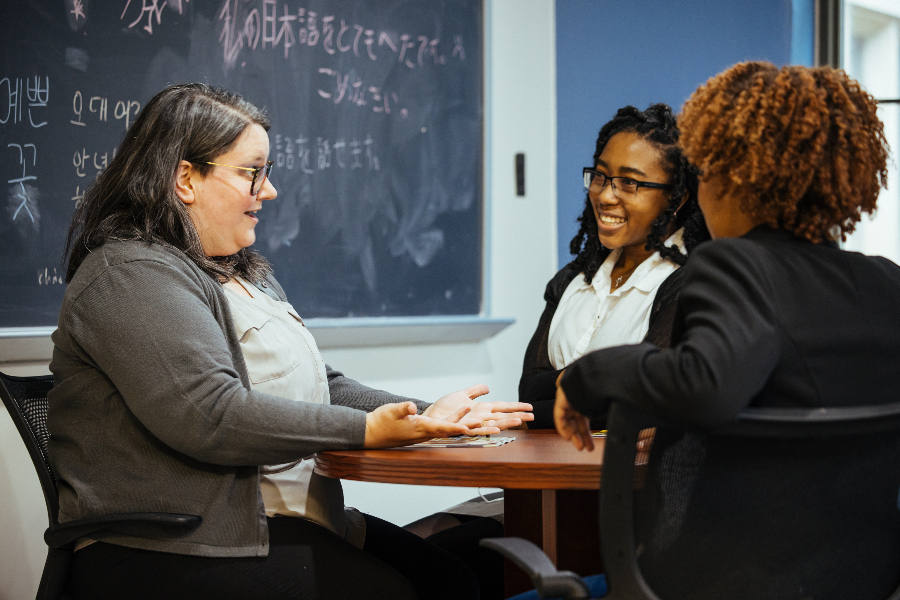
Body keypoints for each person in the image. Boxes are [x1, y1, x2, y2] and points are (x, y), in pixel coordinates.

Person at [48, 83, 532, 600]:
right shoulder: (128, 274)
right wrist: (365, 430)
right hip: (175, 542)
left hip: (287, 520)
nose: (269, 190)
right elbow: (210, 415)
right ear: (185, 179)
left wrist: (427, 416)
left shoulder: (240, 272)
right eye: (251, 172)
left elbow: (323, 385)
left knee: (451, 580)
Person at [555, 63, 900, 599]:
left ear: (729, 177)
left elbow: (704, 386)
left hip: (711, 585)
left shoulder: (733, 265)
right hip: (860, 582)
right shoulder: (886, 284)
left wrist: (588, 375)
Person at [519, 103, 708, 429]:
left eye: (629, 183)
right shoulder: (572, 280)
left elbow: (641, 401)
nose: (605, 195)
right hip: (551, 469)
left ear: (676, 200)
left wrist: (562, 383)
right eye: (601, 176)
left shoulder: (688, 283)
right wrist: (590, 380)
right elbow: (526, 398)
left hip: (626, 475)